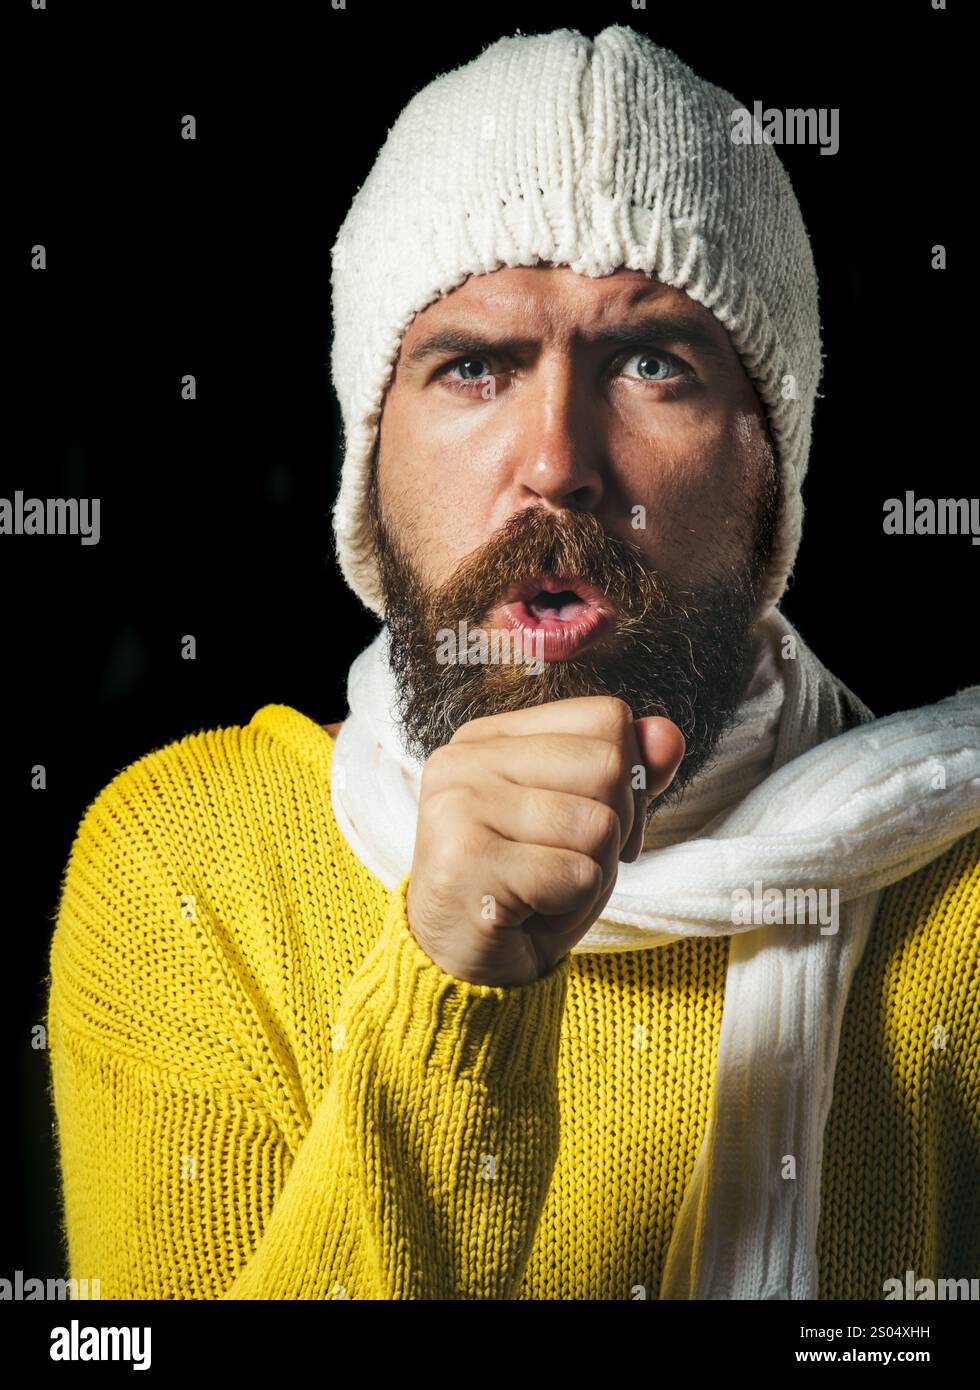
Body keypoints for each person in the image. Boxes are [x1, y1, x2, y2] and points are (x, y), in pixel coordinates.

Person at [47, 25, 979, 1301]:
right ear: (367, 471)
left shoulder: (964, 898)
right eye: (473, 367)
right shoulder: (188, 870)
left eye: (650, 363)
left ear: (775, 475)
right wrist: (448, 988)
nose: (557, 461)